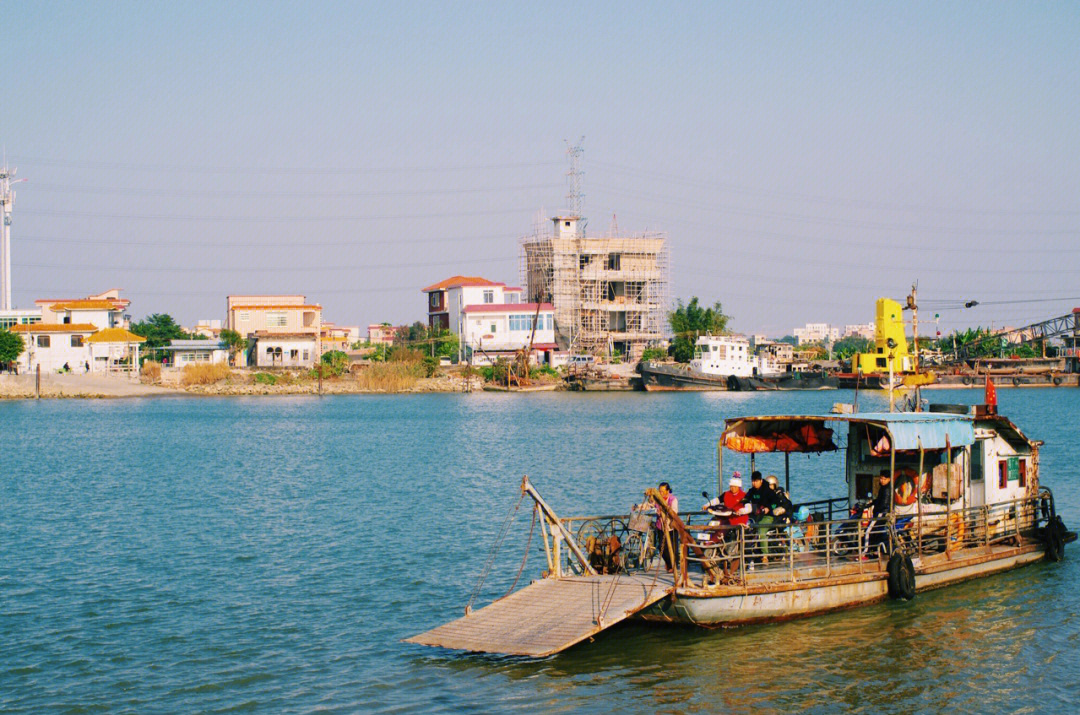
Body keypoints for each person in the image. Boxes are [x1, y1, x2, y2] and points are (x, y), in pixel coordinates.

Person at [743, 471, 776, 563]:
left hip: (768, 516)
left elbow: (775, 503)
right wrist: (744, 504)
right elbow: (745, 499)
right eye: (753, 481)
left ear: (761, 480)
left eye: (756, 481)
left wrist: (768, 508)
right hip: (755, 515)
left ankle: (765, 555)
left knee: (761, 529)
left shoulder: (768, 491)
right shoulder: (751, 491)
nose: (754, 483)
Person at [654, 481, 680, 573]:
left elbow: (674, 512)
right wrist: (638, 507)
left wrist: (664, 511)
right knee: (661, 547)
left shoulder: (673, 499)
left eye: (662, 491)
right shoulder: (657, 500)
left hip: (671, 527)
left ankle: (674, 566)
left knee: (673, 548)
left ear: (667, 491)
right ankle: (669, 564)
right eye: (659, 491)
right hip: (661, 526)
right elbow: (650, 506)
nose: (660, 493)